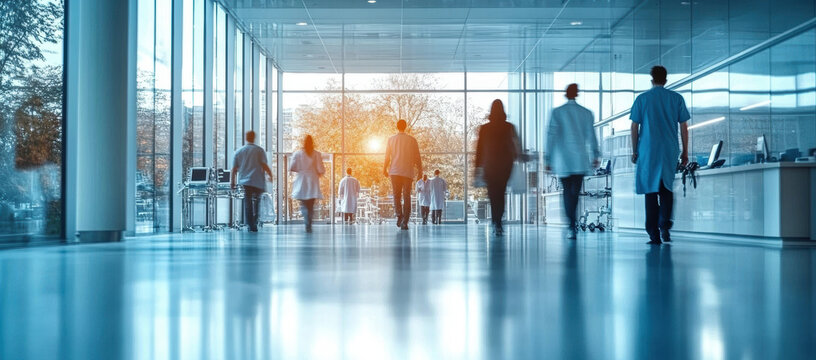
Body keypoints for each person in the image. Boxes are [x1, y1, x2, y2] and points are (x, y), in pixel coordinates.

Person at [630, 66, 690, 244]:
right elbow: (684, 127)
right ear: (665, 80)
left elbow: (634, 126)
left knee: (650, 191)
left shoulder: (642, 99)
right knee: (666, 189)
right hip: (668, 149)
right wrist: (685, 151)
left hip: (648, 150)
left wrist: (634, 150)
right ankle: (664, 225)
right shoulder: (676, 98)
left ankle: (653, 233)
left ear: (652, 79)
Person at [545, 84, 601, 240]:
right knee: (575, 193)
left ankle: (571, 224)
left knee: (566, 192)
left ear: (565, 94)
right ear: (577, 94)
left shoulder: (557, 112)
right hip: (580, 160)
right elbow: (591, 135)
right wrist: (595, 154)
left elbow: (551, 136)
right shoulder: (586, 113)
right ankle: (572, 224)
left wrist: (548, 158)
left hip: (563, 159)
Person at [475, 99, 521, 236]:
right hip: (505, 165)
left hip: (490, 166)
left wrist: (477, 166)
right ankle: (498, 222)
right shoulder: (509, 127)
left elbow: (479, 149)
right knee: (501, 194)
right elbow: (515, 144)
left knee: (493, 195)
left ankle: (496, 221)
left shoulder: (485, 128)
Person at [383, 119, 423, 230]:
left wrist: (384, 169)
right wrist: (420, 171)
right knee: (406, 196)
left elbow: (387, 157)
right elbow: (417, 157)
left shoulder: (391, 140)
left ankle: (399, 215)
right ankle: (405, 221)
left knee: (396, 195)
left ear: (397, 127)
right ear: (405, 126)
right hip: (407, 172)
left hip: (395, 171)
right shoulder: (412, 140)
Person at [231, 131, 274, 232]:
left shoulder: (239, 151)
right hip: (257, 180)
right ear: (254, 137)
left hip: (245, 181)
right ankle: (254, 221)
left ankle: (251, 224)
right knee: (257, 202)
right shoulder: (259, 150)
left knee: (248, 202)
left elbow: (234, 169)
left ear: (246, 138)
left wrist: (232, 182)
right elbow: (264, 165)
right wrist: (270, 175)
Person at [289, 135, 326, 233]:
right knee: (311, 204)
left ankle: (307, 222)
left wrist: (301, 170)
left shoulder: (298, 154)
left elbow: (292, 167)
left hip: (301, 180)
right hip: (312, 180)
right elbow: (320, 168)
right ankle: (309, 222)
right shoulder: (316, 154)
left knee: (303, 204)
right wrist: (319, 173)